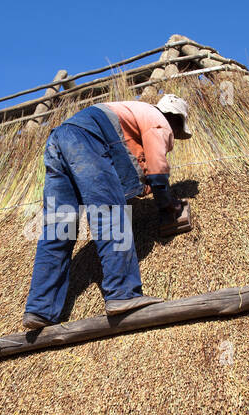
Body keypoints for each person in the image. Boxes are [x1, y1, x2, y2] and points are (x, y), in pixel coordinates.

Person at [22, 94, 192, 329]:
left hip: (58, 140)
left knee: (59, 228)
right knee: (110, 213)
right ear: (174, 118)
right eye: (176, 131)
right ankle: (123, 293)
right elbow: (157, 169)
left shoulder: (132, 116)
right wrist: (167, 205)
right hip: (87, 140)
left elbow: (132, 166)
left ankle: (40, 309)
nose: (173, 137)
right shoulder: (158, 120)